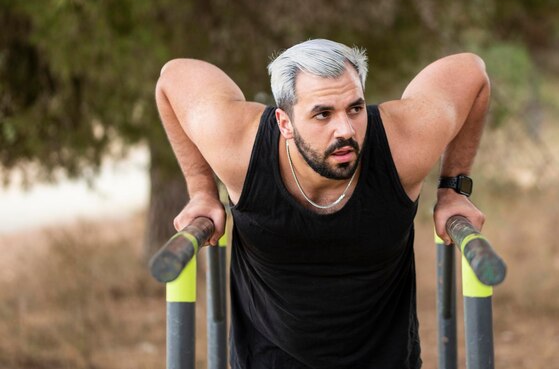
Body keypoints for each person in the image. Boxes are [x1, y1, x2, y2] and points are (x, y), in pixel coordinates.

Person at [155, 39, 489, 369]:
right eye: (322, 114)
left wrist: (453, 190)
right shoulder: (240, 147)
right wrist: (201, 190)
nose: (345, 130)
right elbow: (174, 77)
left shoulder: (402, 144)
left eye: (355, 108)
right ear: (284, 123)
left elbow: (471, 73)